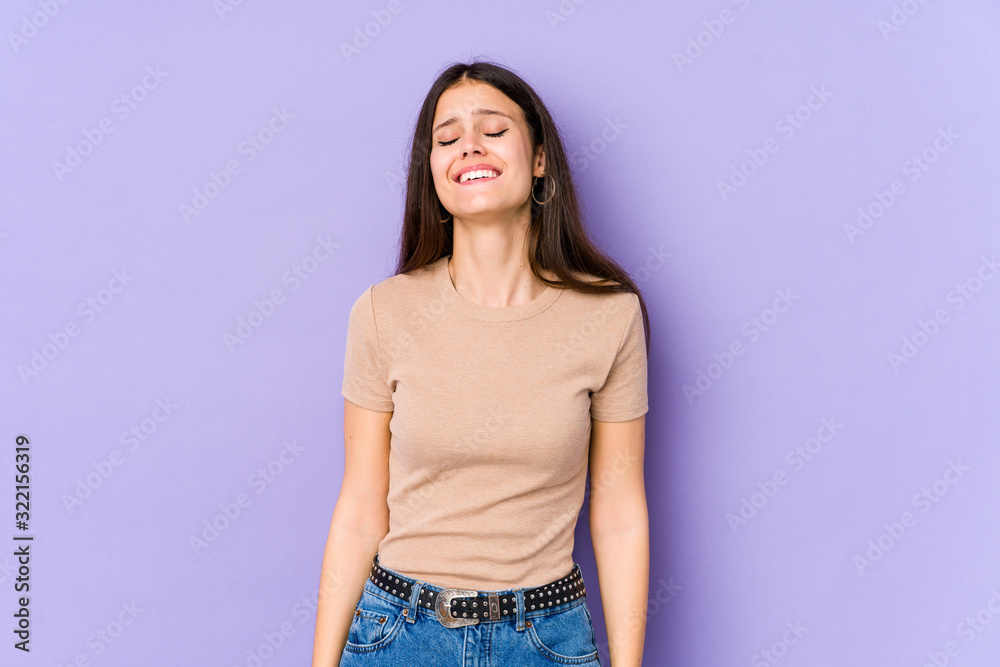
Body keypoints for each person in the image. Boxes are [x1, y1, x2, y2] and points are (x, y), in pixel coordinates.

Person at [312, 59, 650, 667]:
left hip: (546, 639)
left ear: (539, 159)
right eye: (447, 139)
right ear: (433, 173)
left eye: (493, 130)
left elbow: (620, 512)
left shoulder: (609, 317)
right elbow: (360, 507)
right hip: (399, 635)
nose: (469, 145)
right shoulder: (383, 312)